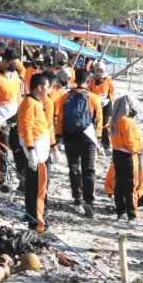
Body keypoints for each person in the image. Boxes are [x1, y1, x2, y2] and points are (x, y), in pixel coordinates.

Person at [55, 69, 103, 218]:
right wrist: (99, 138)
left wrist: (58, 136)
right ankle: (89, 200)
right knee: (89, 169)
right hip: (88, 137)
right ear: (88, 82)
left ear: (74, 80)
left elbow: (59, 119)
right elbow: (99, 120)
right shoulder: (93, 97)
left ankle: (77, 197)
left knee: (74, 167)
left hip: (70, 136)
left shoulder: (65, 97)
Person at [18, 73, 57, 233]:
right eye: (48, 87)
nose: (49, 90)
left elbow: (46, 126)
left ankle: (32, 217)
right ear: (40, 87)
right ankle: (40, 223)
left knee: (33, 186)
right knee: (40, 189)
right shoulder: (29, 103)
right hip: (37, 151)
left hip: (42, 147)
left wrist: (54, 147)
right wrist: (31, 150)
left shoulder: (39, 102)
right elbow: (27, 128)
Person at [0, 47, 26, 193]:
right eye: (12, 63)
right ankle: (1, 180)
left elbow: (22, 71)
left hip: (15, 115)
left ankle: (22, 178)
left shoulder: (15, 74)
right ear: (4, 61)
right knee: (1, 148)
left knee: (18, 147)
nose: (14, 65)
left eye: (16, 62)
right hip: (0, 117)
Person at [110, 95, 143, 221]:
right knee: (130, 185)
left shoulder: (115, 119)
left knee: (119, 184)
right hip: (128, 156)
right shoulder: (126, 121)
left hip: (117, 153)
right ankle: (132, 215)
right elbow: (131, 144)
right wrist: (141, 146)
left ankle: (121, 212)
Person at [88, 61, 115, 152]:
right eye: (97, 70)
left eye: (100, 70)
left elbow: (112, 93)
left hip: (106, 105)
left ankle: (106, 145)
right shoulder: (91, 80)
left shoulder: (108, 80)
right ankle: (96, 143)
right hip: (95, 105)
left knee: (105, 124)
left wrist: (108, 99)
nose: (99, 73)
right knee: (95, 124)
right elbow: (88, 93)